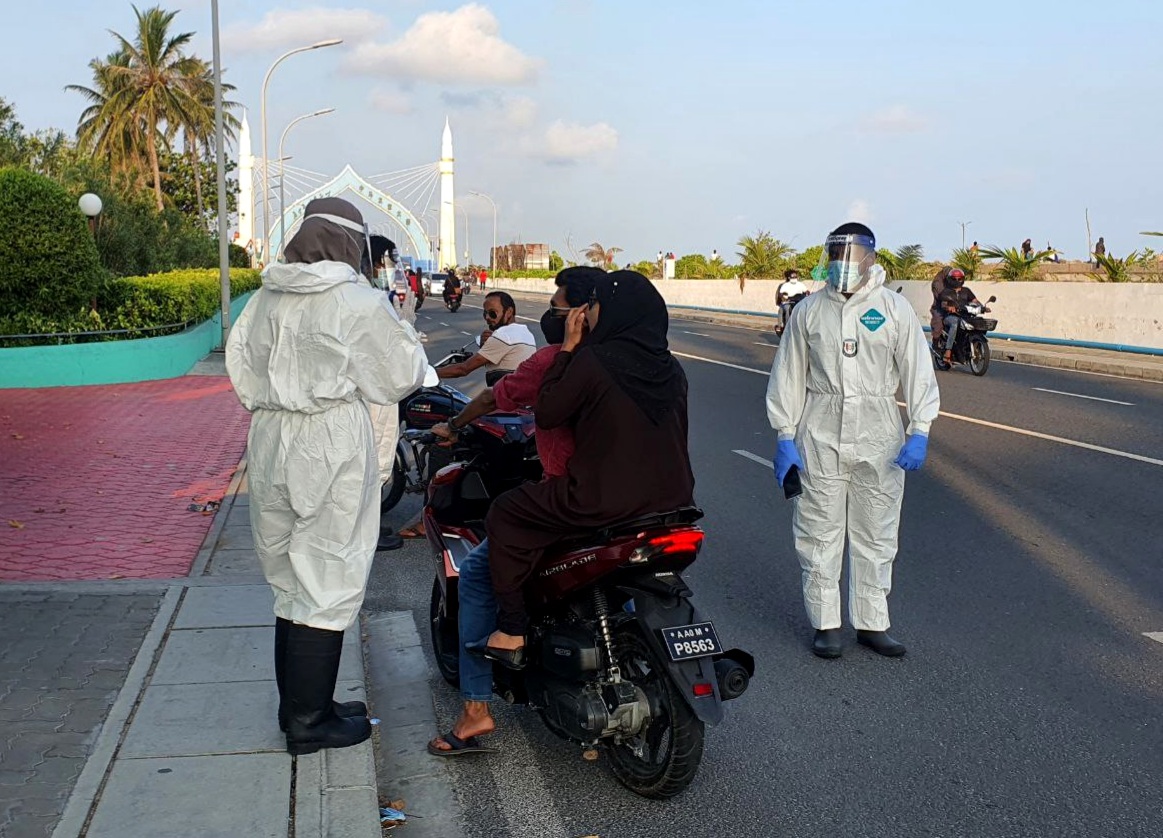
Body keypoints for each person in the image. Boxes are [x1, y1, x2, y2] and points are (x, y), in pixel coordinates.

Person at [226, 197, 428, 754]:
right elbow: (399, 376)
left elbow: (240, 366)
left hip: (270, 438)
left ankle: (300, 707)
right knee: (328, 574)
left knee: (290, 580)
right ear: (350, 244)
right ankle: (309, 723)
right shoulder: (357, 302)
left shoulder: (265, 296)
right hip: (330, 438)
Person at [425, 267, 604, 757]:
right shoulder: (637, 359)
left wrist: (453, 425)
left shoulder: (554, 362)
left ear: (582, 315)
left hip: (568, 499)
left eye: (559, 304)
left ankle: (476, 710)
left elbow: (491, 396)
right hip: (644, 502)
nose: (552, 311)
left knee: (480, 570)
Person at [479, 271, 696, 666]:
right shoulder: (672, 368)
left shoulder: (593, 360)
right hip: (675, 503)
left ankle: (511, 629)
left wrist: (568, 349)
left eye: (592, 307)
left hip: (600, 500)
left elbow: (547, 413)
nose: (585, 315)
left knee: (505, 512)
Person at [766, 222, 939, 660]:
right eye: (837, 254)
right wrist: (785, 434)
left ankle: (872, 622)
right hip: (820, 429)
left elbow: (918, 371)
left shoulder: (894, 309)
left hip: (879, 432)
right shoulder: (808, 311)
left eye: (853, 253)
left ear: (871, 258)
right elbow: (788, 375)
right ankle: (826, 623)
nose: (844, 263)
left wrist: (920, 429)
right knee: (819, 530)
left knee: (876, 530)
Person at [437, 291, 536, 380]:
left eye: (493, 313)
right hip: (521, 395)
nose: (487, 318)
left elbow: (463, 369)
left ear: (509, 312)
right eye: (485, 313)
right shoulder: (526, 333)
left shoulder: (502, 336)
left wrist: (429, 374)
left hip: (506, 397)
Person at [937, 270, 988, 365]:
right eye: (954, 279)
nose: (957, 280)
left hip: (965, 316)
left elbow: (975, 301)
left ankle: (973, 344)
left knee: (978, 322)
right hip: (950, 316)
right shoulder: (946, 292)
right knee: (955, 323)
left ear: (963, 279)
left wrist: (982, 307)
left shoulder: (966, 291)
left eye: (959, 278)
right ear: (950, 280)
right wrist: (949, 307)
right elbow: (943, 304)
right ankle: (948, 350)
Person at [929, 267, 961, 343]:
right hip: (939, 307)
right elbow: (941, 296)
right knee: (938, 324)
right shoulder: (938, 282)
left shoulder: (951, 280)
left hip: (954, 305)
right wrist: (947, 306)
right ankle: (935, 344)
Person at [776, 268, 809, 333]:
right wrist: (783, 297)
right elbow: (780, 293)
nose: (794, 278)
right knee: (787, 308)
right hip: (788, 302)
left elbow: (806, 291)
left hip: (799, 302)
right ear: (789, 277)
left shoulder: (800, 284)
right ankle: (787, 325)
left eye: (795, 277)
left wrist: (808, 293)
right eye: (792, 277)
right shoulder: (785, 285)